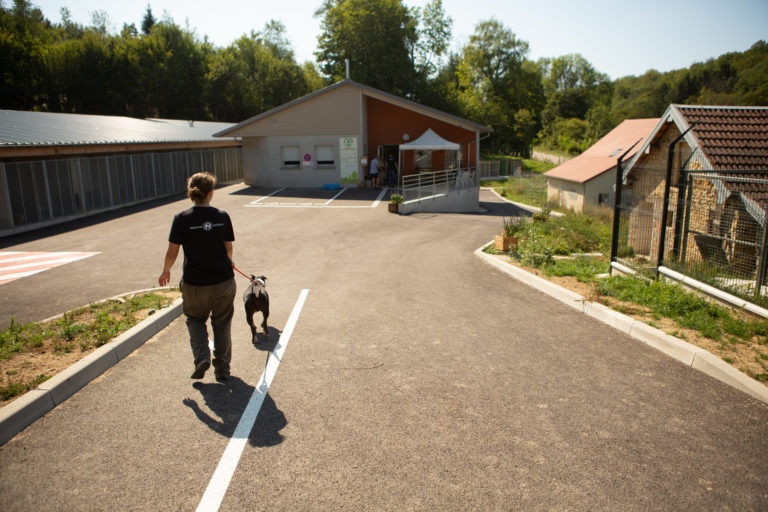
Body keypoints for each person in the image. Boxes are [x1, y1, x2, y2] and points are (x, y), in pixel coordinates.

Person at [158, 172, 236, 382]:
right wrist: (228, 261)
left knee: (194, 320)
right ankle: (222, 370)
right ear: (211, 192)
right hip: (223, 282)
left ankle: (202, 356)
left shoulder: (182, 219)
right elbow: (228, 247)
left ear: (191, 192)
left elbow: (172, 251)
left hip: (195, 284)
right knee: (222, 324)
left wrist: (166, 271)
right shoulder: (222, 216)